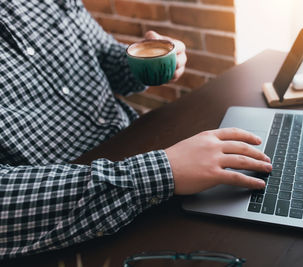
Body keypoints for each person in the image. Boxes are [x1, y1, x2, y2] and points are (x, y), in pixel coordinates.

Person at [0, 0, 272, 259]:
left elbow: (106, 57)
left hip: (143, 151)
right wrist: (160, 171)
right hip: (74, 213)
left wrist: (147, 60)